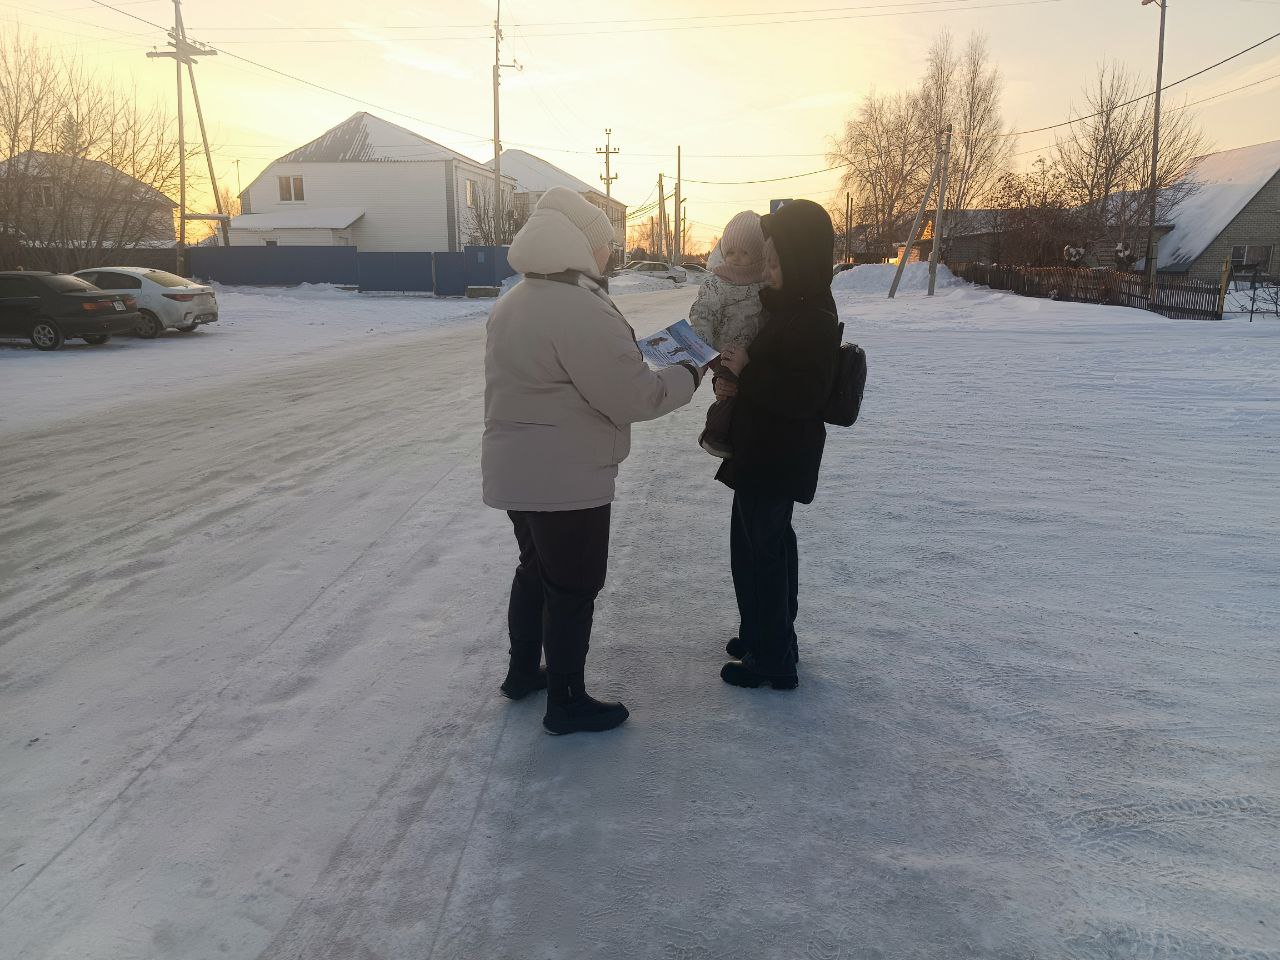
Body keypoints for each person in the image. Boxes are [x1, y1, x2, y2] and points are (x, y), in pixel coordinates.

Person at [482, 186, 704, 735]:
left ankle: (522, 674)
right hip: (566, 477)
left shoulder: (518, 297)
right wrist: (690, 372)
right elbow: (634, 397)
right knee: (574, 586)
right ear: (582, 243)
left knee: (536, 571)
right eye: (606, 245)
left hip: (519, 469)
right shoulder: (576, 305)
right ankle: (567, 701)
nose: (611, 255)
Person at [713, 199, 841, 691]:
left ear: (803, 260)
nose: (765, 273)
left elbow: (803, 395)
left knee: (764, 552)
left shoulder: (814, 318)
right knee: (756, 548)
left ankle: (774, 658)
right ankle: (764, 634)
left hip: (777, 456)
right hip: (761, 453)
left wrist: (747, 372)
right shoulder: (791, 309)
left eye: (773, 263)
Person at [688, 211, 769, 459]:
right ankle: (717, 434)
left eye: (744, 253)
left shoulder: (765, 283)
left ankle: (738, 435)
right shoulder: (717, 283)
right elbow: (702, 314)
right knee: (728, 392)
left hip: (753, 356)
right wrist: (702, 346)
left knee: (745, 396)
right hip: (724, 354)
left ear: (758, 254)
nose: (735, 259)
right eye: (731, 252)